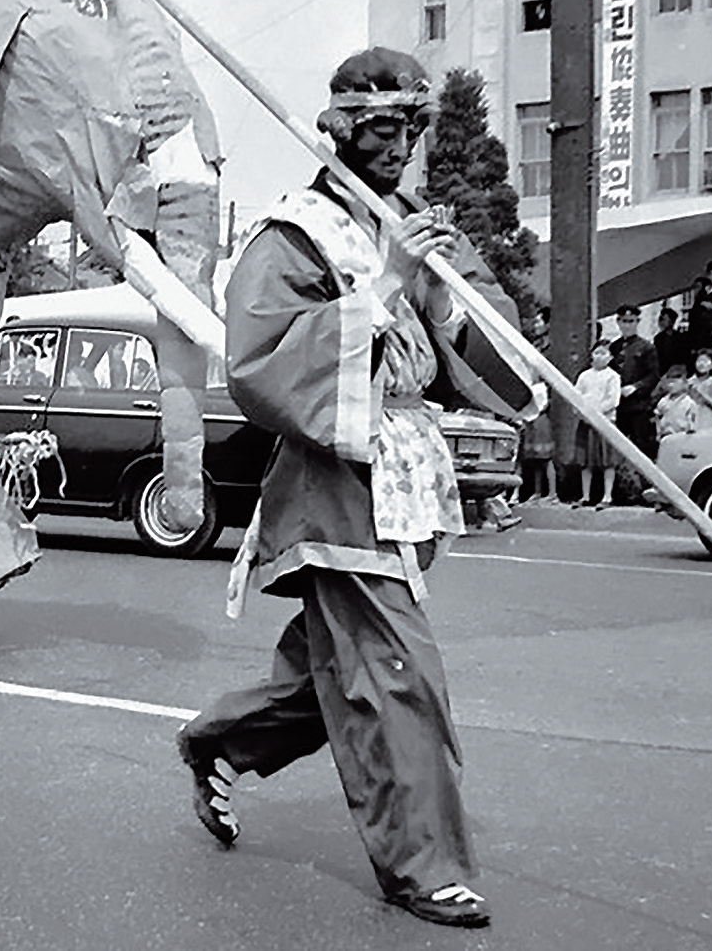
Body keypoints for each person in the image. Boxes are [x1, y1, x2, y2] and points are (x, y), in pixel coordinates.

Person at [175, 48, 536, 931]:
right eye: (380, 126)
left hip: (411, 470)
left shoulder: (418, 222)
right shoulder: (293, 233)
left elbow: (496, 354)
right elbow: (257, 360)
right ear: (337, 125)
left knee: (337, 671)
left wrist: (446, 301)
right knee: (394, 669)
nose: (398, 144)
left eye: (411, 128)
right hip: (335, 478)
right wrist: (381, 291)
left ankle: (221, 739)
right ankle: (423, 863)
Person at [608, 303, 660, 462]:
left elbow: (653, 375)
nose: (627, 325)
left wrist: (636, 387)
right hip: (619, 404)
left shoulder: (646, 347)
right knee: (617, 446)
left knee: (641, 446)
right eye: (624, 321)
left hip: (639, 405)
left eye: (631, 321)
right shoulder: (614, 347)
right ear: (618, 322)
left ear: (637, 322)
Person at [573, 340, 621, 507]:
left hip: (605, 423)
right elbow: (575, 396)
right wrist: (581, 412)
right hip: (585, 423)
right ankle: (585, 496)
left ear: (610, 357)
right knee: (585, 461)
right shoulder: (584, 375)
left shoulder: (613, 376)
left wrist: (596, 413)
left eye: (604, 353)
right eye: (597, 352)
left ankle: (607, 496)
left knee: (608, 461)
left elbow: (613, 400)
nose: (600, 356)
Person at [518, 306, 557, 504]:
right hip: (533, 400)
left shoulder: (553, 349)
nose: (536, 324)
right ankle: (537, 491)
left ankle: (552, 493)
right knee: (533, 454)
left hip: (545, 404)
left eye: (539, 321)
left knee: (545, 454)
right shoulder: (536, 346)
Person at [654, 364, 697, 439]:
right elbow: (657, 417)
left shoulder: (689, 403)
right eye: (669, 382)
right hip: (666, 436)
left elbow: (692, 422)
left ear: (684, 383)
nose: (671, 385)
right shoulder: (663, 401)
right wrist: (659, 433)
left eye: (674, 382)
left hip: (682, 437)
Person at [652, 305, 692, 377]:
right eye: (660, 319)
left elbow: (686, 357)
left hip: (678, 372)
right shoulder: (658, 339)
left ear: (671, 322)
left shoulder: (681, 338)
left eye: (663, 319)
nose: (660, 322)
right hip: (663, 374)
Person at [687, 348, 712, 430]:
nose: (701, 364)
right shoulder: (689, 382)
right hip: (690, 417)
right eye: (699, 361)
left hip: (707, 416)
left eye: (705, 361)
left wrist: (700, 392)